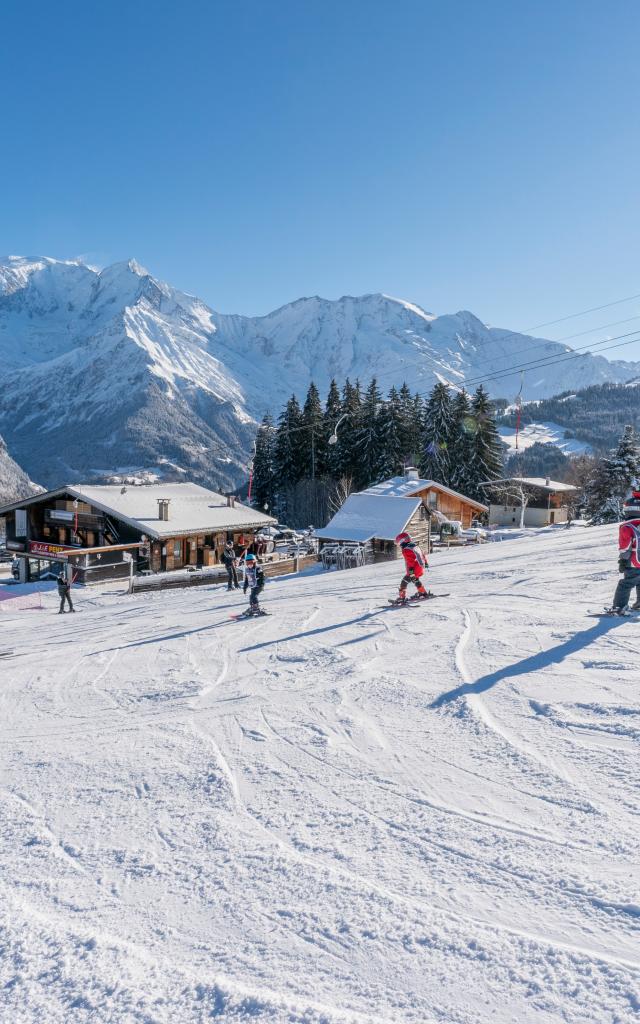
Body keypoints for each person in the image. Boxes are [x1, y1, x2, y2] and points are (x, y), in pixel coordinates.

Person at [609, 489, 640, 615]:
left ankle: (619, 607)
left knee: (626, 584)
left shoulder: (627, 526)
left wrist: (622, 560)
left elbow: (625, 546)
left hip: (633, 562)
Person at [394, 532, 429, 603]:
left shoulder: (406, 549)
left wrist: (411, 572)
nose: (399, 545)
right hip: (420, 567)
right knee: (415, 580)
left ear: (402, 541)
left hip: (414, 569)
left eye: (399, 543)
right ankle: (423, 592)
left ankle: (402, 598)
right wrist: (426, 563)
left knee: (404, 581)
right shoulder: (414, 545)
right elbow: (422, 555)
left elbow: (410, 562)